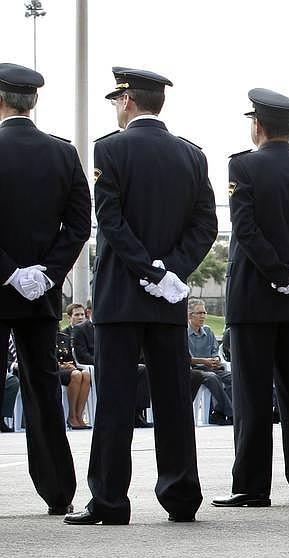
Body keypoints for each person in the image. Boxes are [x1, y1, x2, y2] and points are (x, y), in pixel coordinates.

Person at [68, 68, 215, 526]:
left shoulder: (108, 149)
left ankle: (110, 501)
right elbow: (205, 224)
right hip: (168, 297)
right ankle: (181, 495)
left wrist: (146, 268)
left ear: (128, 100)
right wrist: (173, 270)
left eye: (117, 100)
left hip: (121, 295)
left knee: (114, 399)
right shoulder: (192, 155)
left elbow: (109, 221)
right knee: (173, 397)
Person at [213, 89, 289, 510]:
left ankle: (251, 486)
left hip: (253, 299)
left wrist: (277, 273)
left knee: (252, 395)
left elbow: (244, 230)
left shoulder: (243, 166)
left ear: (258, 125)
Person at [0, 63, 89, 514]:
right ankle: (58, 491)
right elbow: (78, 224)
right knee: (41, 388)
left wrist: (10, 272)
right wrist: (46, 273)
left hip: (2, 287)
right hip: (41, 294)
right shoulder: (63, 153)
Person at [185, 299, 233, 425]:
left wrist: (216, 359)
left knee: (233, 378)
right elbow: (186, 358)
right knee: (212, 378)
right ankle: (232, 414)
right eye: (199, 313)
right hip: (194, 370)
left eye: (204, 313)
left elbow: (215, 351)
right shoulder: (183, 333)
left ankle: (218, 413)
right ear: (190, 315)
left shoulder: (209, 331)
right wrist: (205, 361)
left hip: (211, 367)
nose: (203, 316)